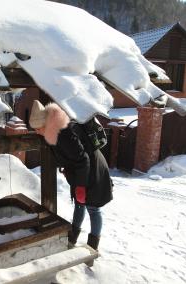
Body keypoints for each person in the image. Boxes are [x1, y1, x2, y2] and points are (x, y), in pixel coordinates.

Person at [29, 100, 113, 250]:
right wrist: (66, 166)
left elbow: (82, 159)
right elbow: (68, 155)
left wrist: (80, 187)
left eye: (38, 128)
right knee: (79, 205)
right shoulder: (53, 130)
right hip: (80, 171)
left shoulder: (62, 134)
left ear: (45, 124)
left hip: (92, 171)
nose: (36, 132)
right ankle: (72, 238)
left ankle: (92, 246)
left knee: (93, 208)